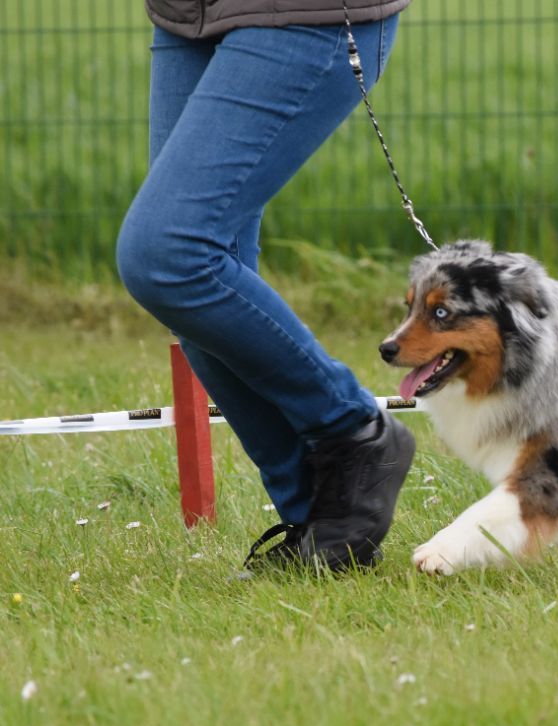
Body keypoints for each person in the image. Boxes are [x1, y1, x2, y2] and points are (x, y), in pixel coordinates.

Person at [116, 0, 416, 572]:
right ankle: (319, 520)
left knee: (169, 255)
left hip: (306, 14)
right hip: (188, 16)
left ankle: (353, 427)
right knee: (207, 267)